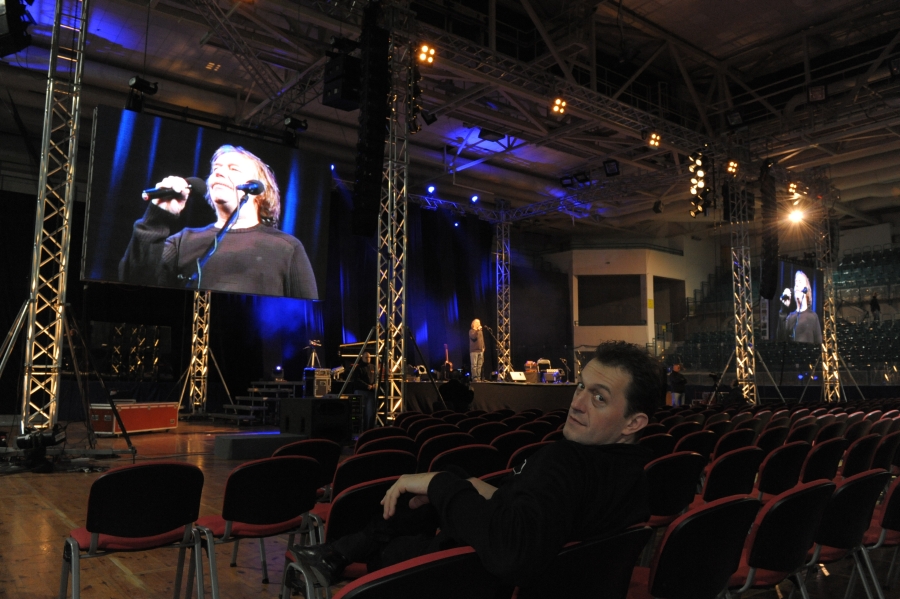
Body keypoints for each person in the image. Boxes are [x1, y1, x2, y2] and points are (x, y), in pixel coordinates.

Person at [292, 340, 661, 589]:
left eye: (599, 398)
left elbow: (512, 552)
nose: (577, 403)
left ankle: (345, 554)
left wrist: (438, 486)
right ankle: (342, 550)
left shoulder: (565, 461)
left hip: (473, 575)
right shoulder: (633, 475)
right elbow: (539, 511)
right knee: (453, 476)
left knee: (401, 537)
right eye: (581, 387)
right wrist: (451, 483)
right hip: (544, 566)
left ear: (633, 422)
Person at [119, 145, 318, 299]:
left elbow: (308, 315)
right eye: (216, 169)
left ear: (258, 188)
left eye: (233, 169)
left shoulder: (286, 247)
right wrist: (157, 217)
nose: (218, 173)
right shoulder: (183, 241)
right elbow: (133, 287)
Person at [775, 270, 822, 344]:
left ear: (806, 289)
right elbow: (780, 339)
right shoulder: (790, 317)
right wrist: (783, 310)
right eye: (796, 282)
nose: (796, 284)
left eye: (800, 282)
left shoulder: (813, 317)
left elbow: (819, 343)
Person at [352, 351, 377, 430]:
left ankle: (368, 430)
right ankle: (359, 429)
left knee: (370, 413)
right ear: (362, 358)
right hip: (361, 392)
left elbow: (376, 378)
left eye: (369, 357)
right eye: (366, 357)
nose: (368, 359)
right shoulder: (359, 368)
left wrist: (375, 384)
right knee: (360, 412)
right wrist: (366, 386)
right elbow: (356, 380)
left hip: (370, 392)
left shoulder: (373, 367)